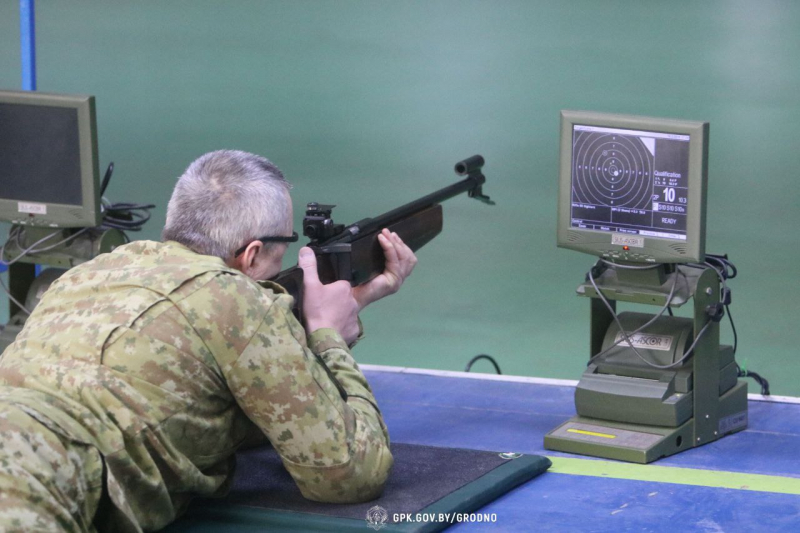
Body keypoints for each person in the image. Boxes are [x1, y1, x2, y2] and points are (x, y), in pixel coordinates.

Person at [0, 150, 417, 532]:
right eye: (285, 248)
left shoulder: (88, 274)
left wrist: (333, 317)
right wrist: (330, 339)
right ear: (252, 255)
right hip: (35, 472)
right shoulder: (235, 296)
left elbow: (252, 406)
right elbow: (348, 474)